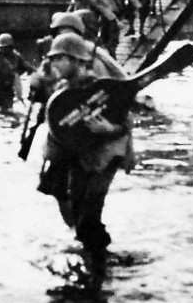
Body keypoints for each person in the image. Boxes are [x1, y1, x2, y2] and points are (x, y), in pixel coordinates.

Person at [35, 32, 136, 255]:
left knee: (90, 209)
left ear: (76, 60)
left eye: (59, 58)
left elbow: (126, 120)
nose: (53, 63)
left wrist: (109, 129)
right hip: (80, 154)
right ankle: (96, 259)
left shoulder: (99, 87)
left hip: (106, 154)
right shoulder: (63, 89)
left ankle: (101, 267)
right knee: (78, 208)